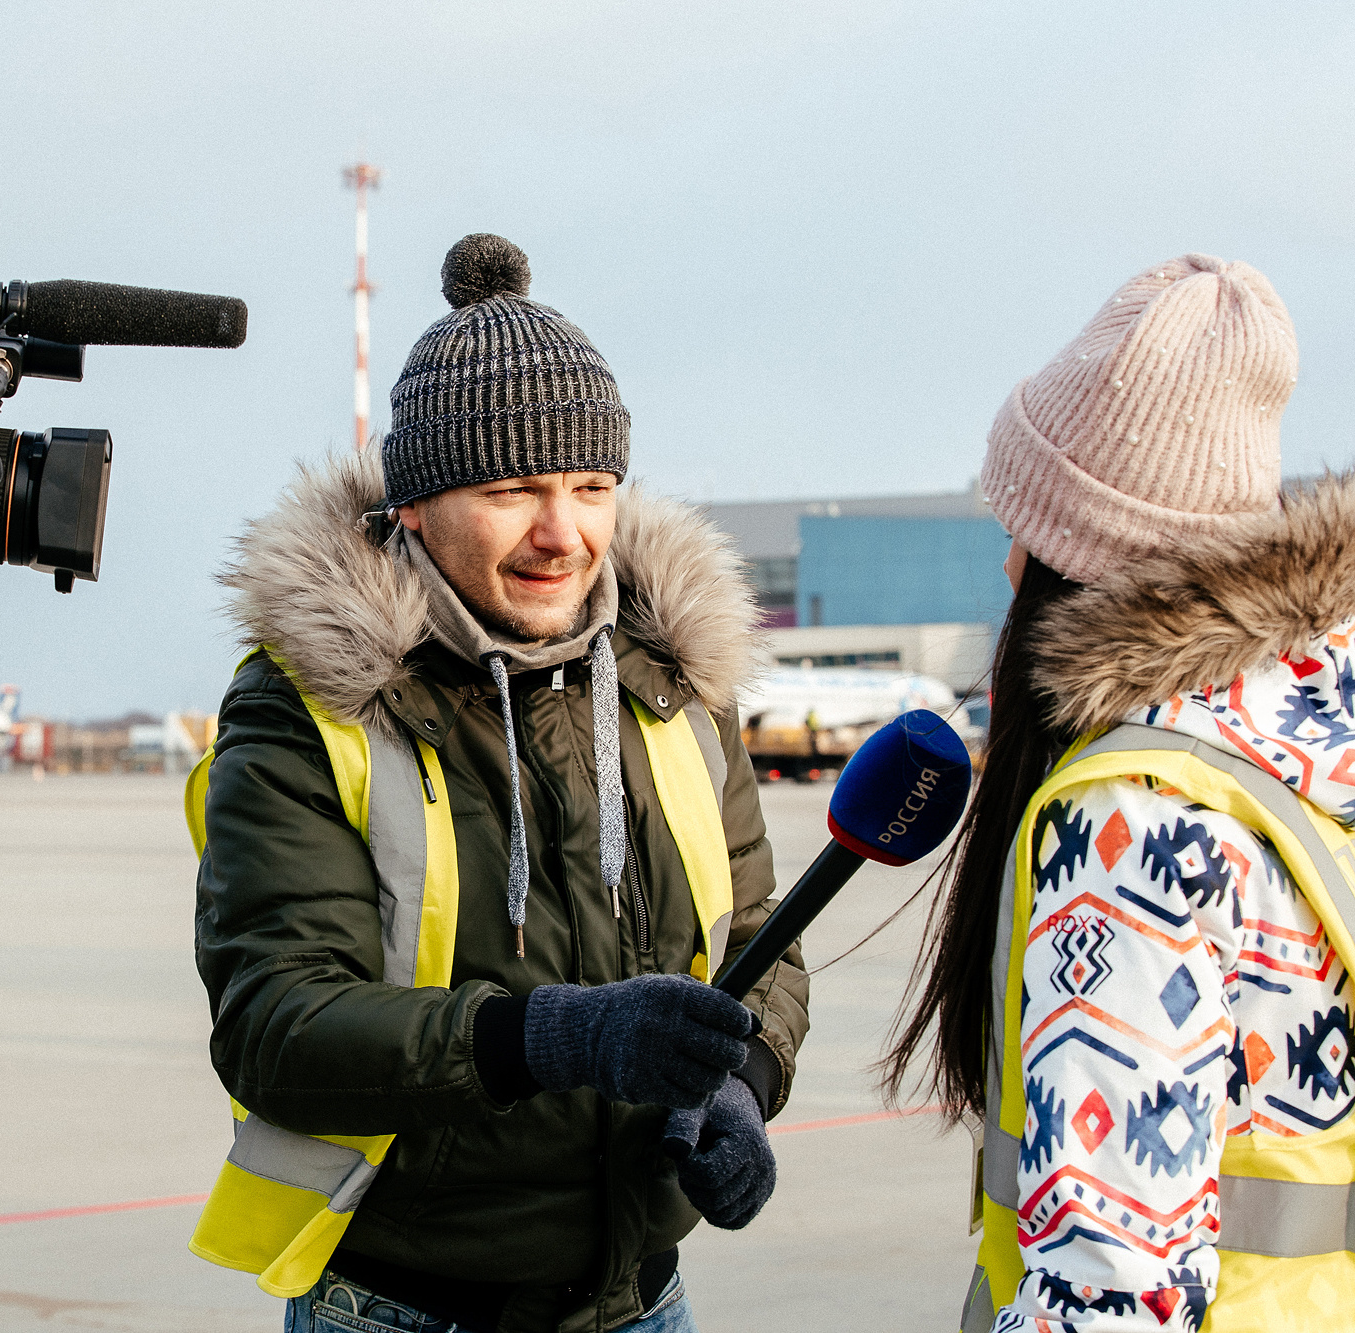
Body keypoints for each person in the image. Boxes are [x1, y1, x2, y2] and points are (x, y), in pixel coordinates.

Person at [190, 234, 808, 1333]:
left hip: (643, 1304)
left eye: (590, 486)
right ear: (418, 502)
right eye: (512, 487)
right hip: (406, 1305)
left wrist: (742, 1085)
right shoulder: (313, 702)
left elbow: (755, 930)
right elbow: (275, 1026)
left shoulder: (673, 683)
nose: (562, 534)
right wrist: (546, 1038)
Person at [886, 253, 1353, 1330]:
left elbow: (1111, 1286)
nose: (1005, 566)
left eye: (1023, 528)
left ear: (1070, 555)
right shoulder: (1305, 747)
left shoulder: (1132, 819)